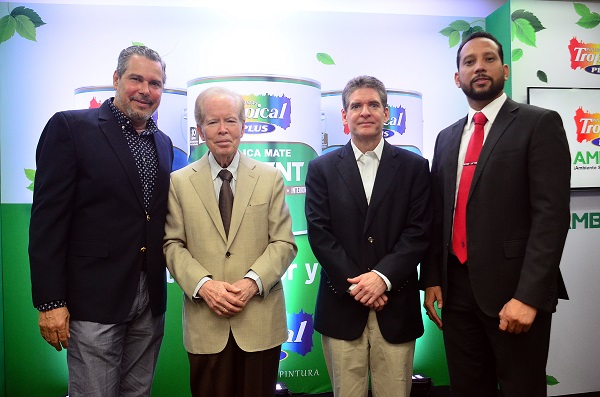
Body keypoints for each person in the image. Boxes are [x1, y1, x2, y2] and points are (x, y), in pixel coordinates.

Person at [422, 31, 571, 397]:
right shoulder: (445, 137)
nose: (479, 67)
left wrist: (529, 297)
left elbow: (551, 217)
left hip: (514, 296)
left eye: (488, 59)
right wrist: (432, 278)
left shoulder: (539, 123)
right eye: (469, 62)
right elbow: (438, 214)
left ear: (504, 69)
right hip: (455, 295)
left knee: (522, 389)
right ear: (457, 78)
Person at [29, 46, 173, 396]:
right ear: (116, 80)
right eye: (136, 79)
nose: (145, 90)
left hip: (149, 298)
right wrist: (50, 302)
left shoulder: (164, 143)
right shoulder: (71, 127)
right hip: (93, 298)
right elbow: (48, 221)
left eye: (155, 83)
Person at [163, 86, 297, 397]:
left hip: (260, 322)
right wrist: (205, 286)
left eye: (231, 121)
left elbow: (284, 243)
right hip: (205, 325)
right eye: (212, 122)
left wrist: (251, 283)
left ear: (243, 126)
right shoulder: (179, 182)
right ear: (199, 129)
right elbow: (172, 245)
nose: (222, 130)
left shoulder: (270, 178)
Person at [305, 75, 432, 397]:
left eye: (373, 104)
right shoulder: (322, 169)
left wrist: (382, 279)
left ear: (386, 113)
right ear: (344, 116)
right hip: (342, 307)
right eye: (356, 106)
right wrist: (362, 285)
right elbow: (321, 234)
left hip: (396, 305)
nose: (365, 111)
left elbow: (418, 232)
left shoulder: (415, 167)